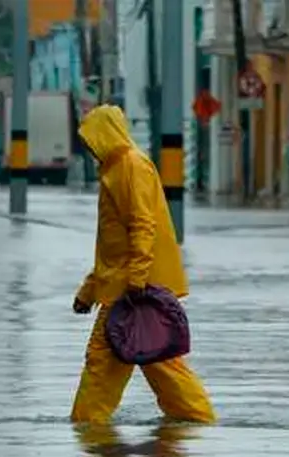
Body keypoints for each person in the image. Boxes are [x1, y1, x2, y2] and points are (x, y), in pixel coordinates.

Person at [70, 104, 216, 425]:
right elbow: (112, 248)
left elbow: (141, 226)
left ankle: (87, 430)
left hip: (133, 289)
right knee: (161, 362)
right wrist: (89, 291)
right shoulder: (116, 169)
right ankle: (197, 423)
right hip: (128, 287)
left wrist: (136, 281)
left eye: (91, 140)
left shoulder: (129, 167)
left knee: (106, 362)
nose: (89, 148)